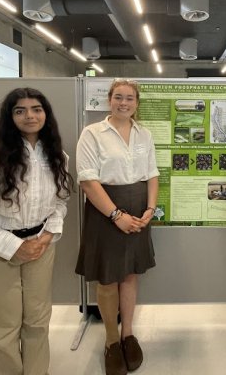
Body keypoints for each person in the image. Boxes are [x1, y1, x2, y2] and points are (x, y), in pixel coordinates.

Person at [0, 87, 73, 375]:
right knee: (2, 326)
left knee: (37, 320)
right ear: (9, 117)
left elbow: (60, 203)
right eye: (19, 110)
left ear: (46, 114)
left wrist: (47, 236)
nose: (30, 116)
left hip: (41, 248)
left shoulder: (58, 157)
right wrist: (15, 246)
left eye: (36, 109)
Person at [75, 78, 159, 375]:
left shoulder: (143, 133)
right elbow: (87, 180)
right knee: (108, 279)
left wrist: (150, 209)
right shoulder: (92, 133)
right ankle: (111, 340)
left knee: (130, 275)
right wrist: (116, 215)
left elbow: (152, 175)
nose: (124, 103)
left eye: (130, 99)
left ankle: (128, 334)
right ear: (109, 100)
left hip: (138, 208)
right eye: (118, 97)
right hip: (105, 209)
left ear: (137, 103)